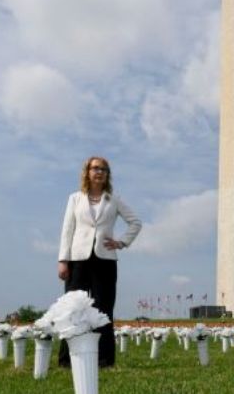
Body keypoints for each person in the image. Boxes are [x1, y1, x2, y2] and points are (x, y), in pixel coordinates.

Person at [56, 156, 142, 368]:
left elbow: (135, 222)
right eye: (95, 168)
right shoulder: (75, 198)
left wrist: (121, 242)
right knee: (73, 310)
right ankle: (67, 360)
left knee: (103, 311)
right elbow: (67, 231)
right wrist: (63, 260)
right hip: (78, 261)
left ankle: (104, 360)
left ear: (107, 175)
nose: (99, 172)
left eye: (103, 169)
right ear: (87, 172)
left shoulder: (114, 200)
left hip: (105, 261)